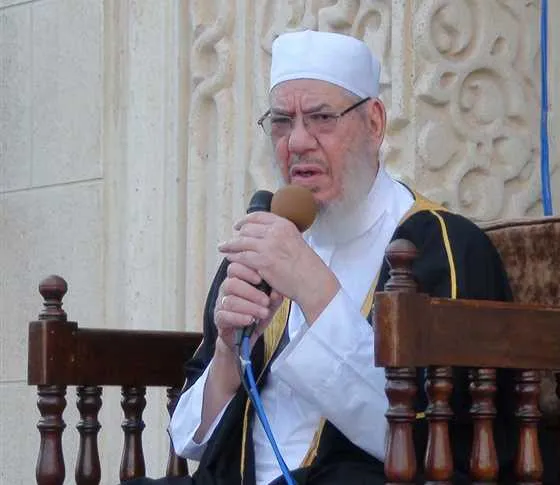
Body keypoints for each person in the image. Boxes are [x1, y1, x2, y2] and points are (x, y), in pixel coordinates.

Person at [124, 30, 516, 485]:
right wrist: (229, 356)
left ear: (374, 123)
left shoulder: (442, 246)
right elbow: (189, 440)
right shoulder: (264, 245)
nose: (296, 142)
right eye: (281, 121)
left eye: (321, 118)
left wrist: (315, 291)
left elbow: (434, 439)